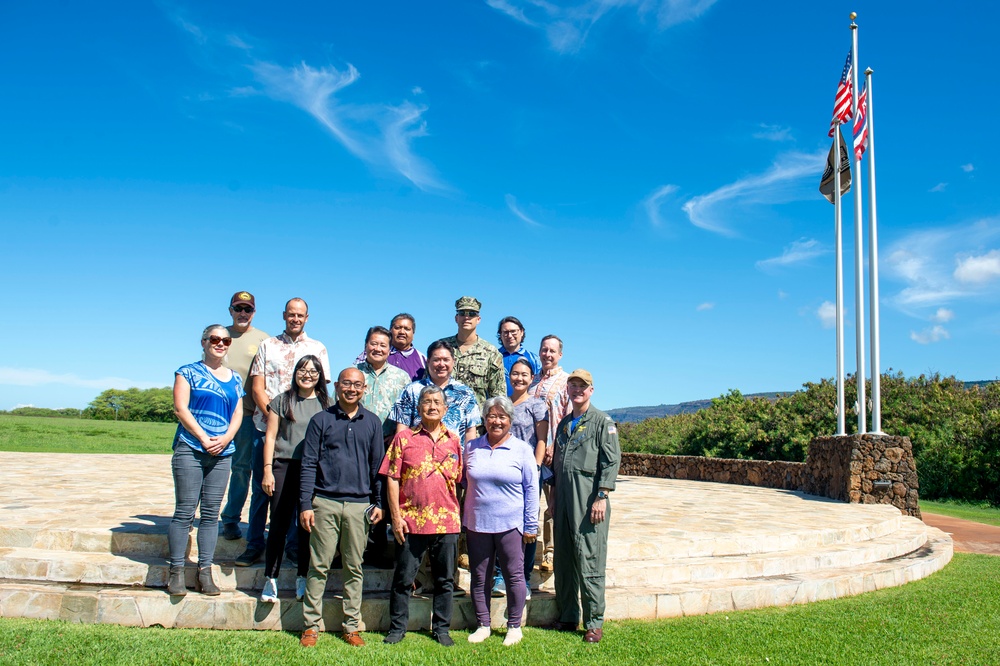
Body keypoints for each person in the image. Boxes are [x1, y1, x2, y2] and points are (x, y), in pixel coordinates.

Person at [236, 297, 331, 567]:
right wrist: (277, 418)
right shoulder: (268, 345)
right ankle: (254, 544)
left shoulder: (317, 348)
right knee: (262, 489)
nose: (295, 319)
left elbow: (321, 391)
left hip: (303, 436)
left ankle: (291, 546)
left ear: (307, 317)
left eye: (300, 315)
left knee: (296, 491)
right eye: (291, 314)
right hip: (266, 426)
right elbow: (257, 388)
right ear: (284, 315)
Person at [298, 368, 384, 648]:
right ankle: (311, 626)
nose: (352, 389)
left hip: (359, 506)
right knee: (318, 566)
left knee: (354, 567)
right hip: (324, 502)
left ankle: (351, 626)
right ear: (337, 386)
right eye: (346, 383)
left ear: (364, 389)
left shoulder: (372, 422)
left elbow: (376, 467)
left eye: (357, 385)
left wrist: (379, 503)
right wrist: (305, 504)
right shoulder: (320, 420)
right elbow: (308, 463)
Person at [381, 385, 463, 647]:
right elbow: (392, 478)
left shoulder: (454, 441)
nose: (432, 406)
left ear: (445, 408)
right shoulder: (404, 439)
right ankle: (397, 628)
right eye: (426, 402)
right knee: (404, 579)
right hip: (410, 521)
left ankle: (441, 629)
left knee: (445, 580)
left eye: (437, 402)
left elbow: (459, 481)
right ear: (418, 408)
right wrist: (395, 516)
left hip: (446, 522)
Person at [167, 325, 244, 597]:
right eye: (214, 339)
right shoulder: (187, 372)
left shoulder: (234, 378)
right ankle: (176, 571)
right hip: (191, 447)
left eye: (225, 340)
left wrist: (225, 438)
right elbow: (180, 408)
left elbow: (237, 413)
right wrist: (202, 437)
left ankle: (204, 571)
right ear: (203, 342)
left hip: (222, 453)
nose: (220, 344)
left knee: (211, 515)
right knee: (186, 510)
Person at [550, 369, 621, 644]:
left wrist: (602, 495)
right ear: (567, 389)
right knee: (564, 558)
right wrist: (553, 498)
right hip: (564, 498)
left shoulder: (602, 422)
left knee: (589, 557)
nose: (577, 390)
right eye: (573, 385)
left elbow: (611, 461)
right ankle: (568, 615)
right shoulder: (564, 424)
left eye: (582, 386)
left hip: (590, 499)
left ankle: (593, 622)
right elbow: (557, 464)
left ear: (591, 390)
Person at [464, 396, 539, 647]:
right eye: (491, 416)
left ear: (510, 420)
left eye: (502, 416)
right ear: (484, 419)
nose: (496, 421)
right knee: (480, 576)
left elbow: (531, 488)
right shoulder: (471, 447)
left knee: (514, 576)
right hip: (477, 524)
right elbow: (463, 483)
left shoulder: (522, 450)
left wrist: (530, 525)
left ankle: (514, 626)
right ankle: (483, 624)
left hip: (511, 524)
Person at [259, 355, 331, 604]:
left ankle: (302, 576)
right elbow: (271, 437)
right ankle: (271, 578)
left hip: (312, 470)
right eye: (302, 369)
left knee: (306, 525)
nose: (307, 374)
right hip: (283, 466)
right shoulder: (282, 400)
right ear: (295, 372)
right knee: (278, 522)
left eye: (313, 371)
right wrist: (267, 469)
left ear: (320, 375)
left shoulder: (326, 404)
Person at [492, 358, 548, 599]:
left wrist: (534, 469)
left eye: (524, 374)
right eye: (515, 374)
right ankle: (499, 577)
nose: (519, 378)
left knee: (528, 525)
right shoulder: (501, 404)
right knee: (499, 523)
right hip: (501, 472)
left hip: (527, 474)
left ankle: (523, 580)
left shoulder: (537, 405)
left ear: (532, 377)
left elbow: (542, 441)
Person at [220, 291, 270, 542]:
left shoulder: (263, 340)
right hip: (218, 416)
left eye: (247, 309)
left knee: (242, 468)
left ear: (253, 312)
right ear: (230, 310)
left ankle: (232, 519)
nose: (242, 313)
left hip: (249, 415)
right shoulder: (220, 336)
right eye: (238, 308)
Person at [530, 334, 571, 572]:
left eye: (552, 351)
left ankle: (550, 551)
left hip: (553, 452)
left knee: (553, 503)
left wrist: (554, 446)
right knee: (530, 500)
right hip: (532, 452)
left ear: (560, 355)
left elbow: (566, 417)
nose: (547, 354)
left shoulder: (566, 382)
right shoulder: (532, 381)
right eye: (544, 350)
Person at [390, 340, 481, 444]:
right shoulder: (411, 390)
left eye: (446, 360)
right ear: (428, 362)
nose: (441, 364)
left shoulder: (465, 393)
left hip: (453, 457)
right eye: (436, 360)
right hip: (417, 456)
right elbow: (402, 428)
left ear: (453, 361)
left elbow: (470, 432)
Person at [442, 296, 505, 409]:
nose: (466, 317)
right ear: (456, 318)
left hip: (477, 424)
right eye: (462, 313)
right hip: (442, 422)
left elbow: (498, 396)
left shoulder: (491, 352)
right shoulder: (441, 347)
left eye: (471, 314)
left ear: (478, 319)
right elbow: (429, 385)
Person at [356, 326, 411, 441]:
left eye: (383, 345)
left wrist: (396, 437)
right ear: (366, 345)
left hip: (388, 444)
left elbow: (409, 413)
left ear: (389, 349)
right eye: (374, 344)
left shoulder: (402, 377)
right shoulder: (353, 373)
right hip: (355, 441)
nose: (377, 349)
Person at [496, 316, 541, 396]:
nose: (510, 336)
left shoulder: (533, 359)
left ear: (521, 332)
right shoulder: (493, 356)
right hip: (497, 405)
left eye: (513, 331)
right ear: (500, 334)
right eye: (506, 332)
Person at [387, 313, 427, 380]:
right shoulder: (377, 353)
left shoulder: (423, 360)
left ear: (413, 333)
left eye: (407, 329)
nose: (402, 332)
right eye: (397, 328)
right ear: (390, 330)